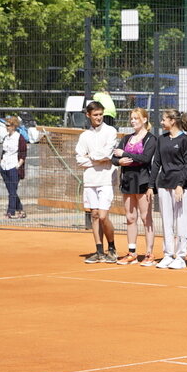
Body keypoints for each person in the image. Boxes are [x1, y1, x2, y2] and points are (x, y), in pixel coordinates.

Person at [112, 108, 156, 266]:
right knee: (130, 218)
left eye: (136, 118)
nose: (133, 121)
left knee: (146, 218)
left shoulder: (151, 139)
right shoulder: (126, 138)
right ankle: (132, 253)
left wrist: (124, 154)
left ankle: (149, 253)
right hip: (128, 181)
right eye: (131, 118)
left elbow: (145, 158)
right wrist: (119, 161)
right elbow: (114, 157)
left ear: (144, 120)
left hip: (143, 181)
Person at [76, 101, 118, 263]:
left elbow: (107, 154)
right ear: (88, 116)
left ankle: (112, 248)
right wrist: (97, 159)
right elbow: (79, 160)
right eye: (95, 115)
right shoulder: (84, 136)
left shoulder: (110, 131)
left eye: (100, 114)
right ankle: (99, 251)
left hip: (106, 179)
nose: (99, 117)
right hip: (90, 180)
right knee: (94, 215)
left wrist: (91, 156)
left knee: (102, 216)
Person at [151, 109, 187, 270]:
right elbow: (157, 163)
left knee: (182, 221)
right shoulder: (161, 139)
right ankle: (168, 254)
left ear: (172, 121)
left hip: (181, 187)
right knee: (166, 221)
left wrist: (180, 185)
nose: (161, 122)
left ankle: (181, 256)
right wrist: (150, 185)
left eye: (163, 120)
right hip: (163, 184)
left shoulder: (185, 140)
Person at [0, 116, 27, 219]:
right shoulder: (6, 137)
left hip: (13, 166)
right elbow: (4, 151)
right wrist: (1, 161)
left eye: (8, 125)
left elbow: (23, 153)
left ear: (14, 126)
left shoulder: (20, 138)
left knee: (12, 191)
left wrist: (18, 165)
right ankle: (21, 210)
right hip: (4, 166)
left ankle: (10, 212)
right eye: (6, 125)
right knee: (11, 190)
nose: (7, 127)